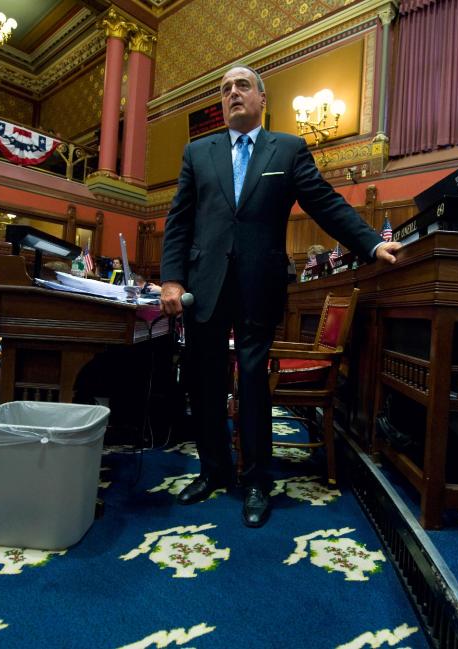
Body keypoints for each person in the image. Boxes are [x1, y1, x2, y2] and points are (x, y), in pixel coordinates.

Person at [160, 65, 402, 528]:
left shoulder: (287, 148)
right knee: (205, 384)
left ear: (262, 98)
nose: (233, 93)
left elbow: (324, 202)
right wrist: (172, 278)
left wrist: (371, 243)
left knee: (252, 383)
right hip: (204, 285)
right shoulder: (197, 151)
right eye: (225, 88)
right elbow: (179, 220)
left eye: (242, 86)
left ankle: (255, 481)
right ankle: (212, 470)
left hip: (258, 285)